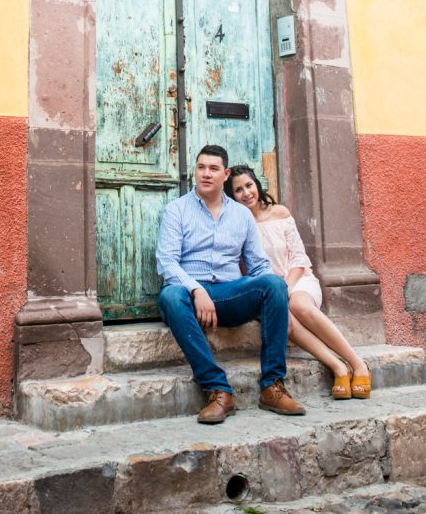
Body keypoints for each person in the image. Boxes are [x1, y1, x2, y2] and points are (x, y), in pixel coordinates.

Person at [155, 144, 306, 424]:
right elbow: (167, 262)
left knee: (273, 284)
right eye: (201, 167)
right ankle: (218, 389)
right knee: (171, 296)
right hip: (189, 295)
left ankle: (272, 386)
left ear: (225, 174)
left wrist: (278, 296)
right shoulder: (176, 210)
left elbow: (258, 264)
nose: (206, 174)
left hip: (229, 294)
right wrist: (196, 290)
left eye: (213, 169)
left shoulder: (241, 215)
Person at [224, 164, 371, 401]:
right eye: (238, 190)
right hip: (268, 292)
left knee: (299, 306)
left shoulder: (280, 213)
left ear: (257, 185)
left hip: (298, 280)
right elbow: (244, 272)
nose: (246, 193)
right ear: (232, 196)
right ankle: (338, 367)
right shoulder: (238, 226)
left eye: (249, 185)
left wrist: (287, 288)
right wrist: (274, 293)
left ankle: (359, 364)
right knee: (287, 323)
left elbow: (299, 258)